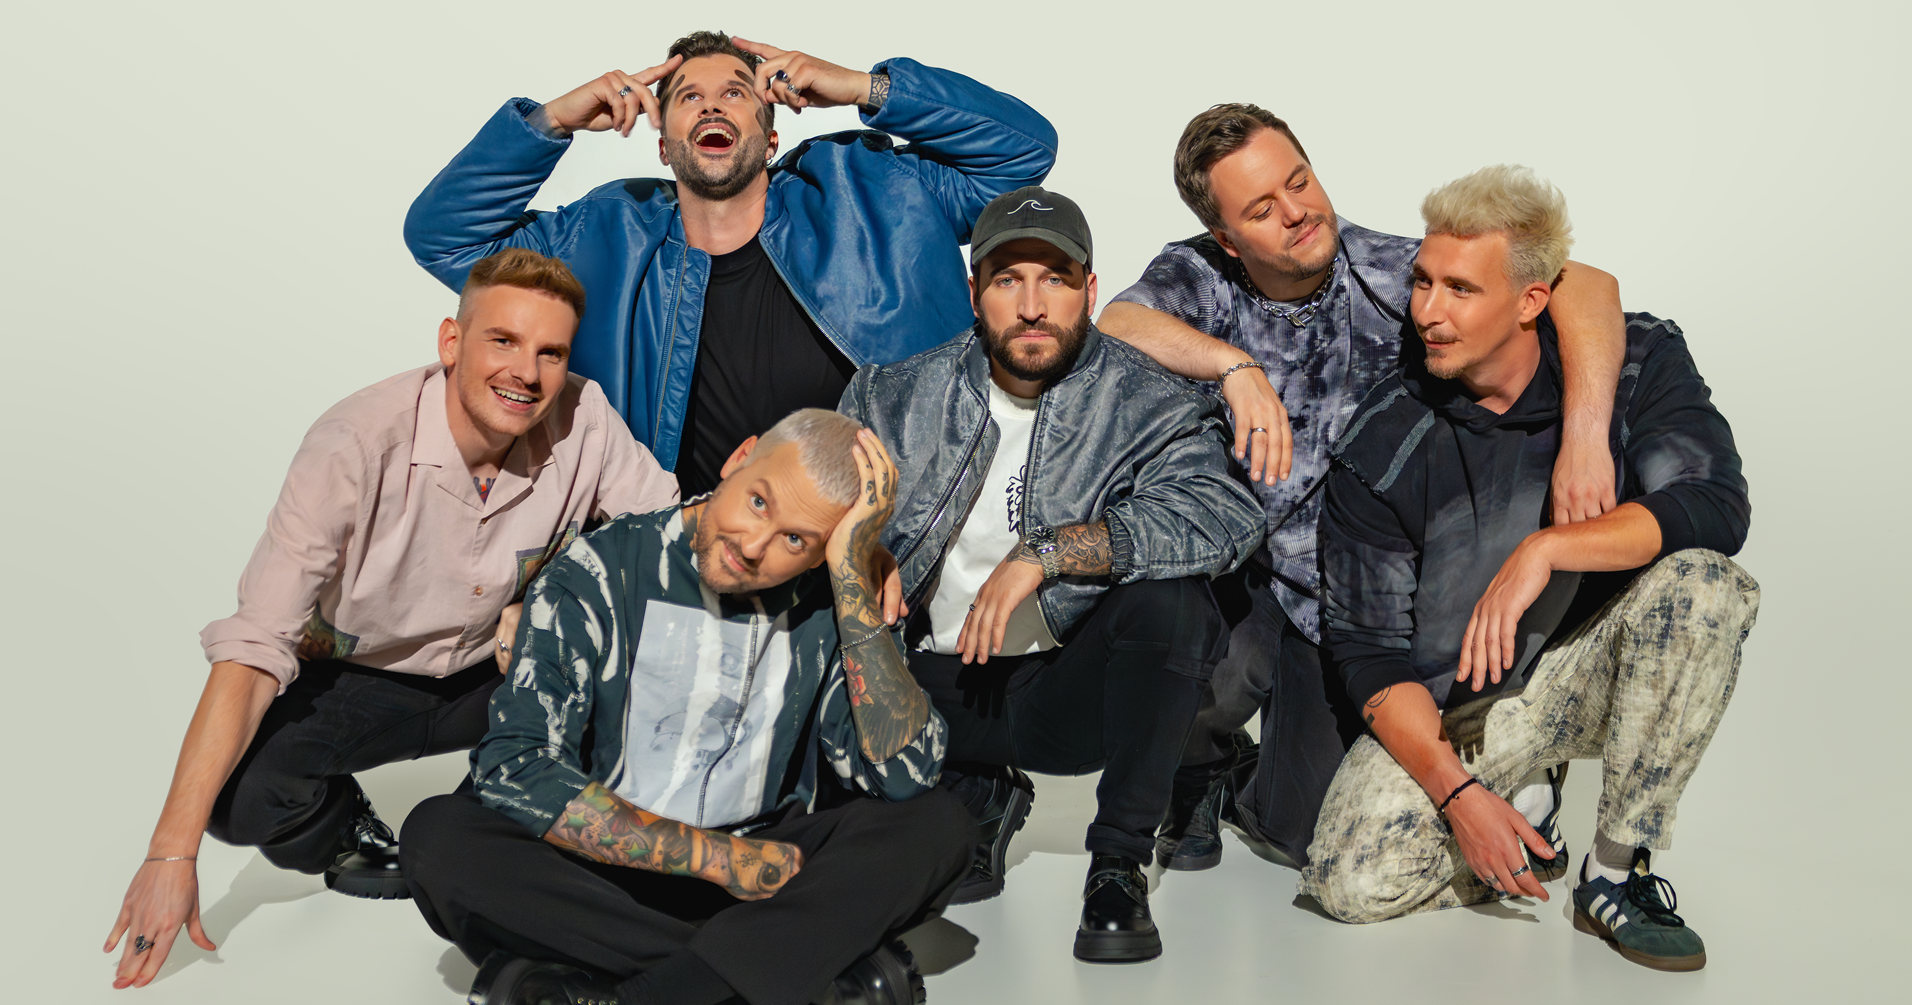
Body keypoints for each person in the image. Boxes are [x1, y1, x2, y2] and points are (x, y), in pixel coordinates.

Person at [101, 249, 680, 990]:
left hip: (499, 668)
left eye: (550, 352)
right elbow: (254, 645)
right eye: (503, 340)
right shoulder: (354, 444)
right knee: (240, 798)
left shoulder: (583, 417)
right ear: (451, 342)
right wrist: (169, 855)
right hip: (364, 677)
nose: (527, 373)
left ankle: (501, 837)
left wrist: (550, 606)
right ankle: (348, 830)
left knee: (634, 679)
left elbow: (666, 545)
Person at [1098, 103, 1633, 871]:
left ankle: (1261, 782)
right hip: (1254, 576)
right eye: (1261, 209)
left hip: (1363, 595)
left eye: (1299, 181)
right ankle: (1202, 765)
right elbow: (1116, 324)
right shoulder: (1199, 277)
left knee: (1302, 834)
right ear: (1227, 239)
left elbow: (1585, 284)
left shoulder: (1391, 270)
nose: (1297, 212)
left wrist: (1585, 435)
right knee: (1179, 650)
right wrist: (1234, 365)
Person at [1299, 166, 1756, 974]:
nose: (1428, 312)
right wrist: (1459, 796)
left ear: (1531, 301)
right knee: (1348, 881)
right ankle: (1525, 804)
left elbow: (1715, 505)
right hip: (1472, 702)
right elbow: (1367, 651)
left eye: (1461, 290)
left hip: (1606, 663)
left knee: (1704, 586)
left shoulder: (1636, 362)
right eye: (1423, 282)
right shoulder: (1384, 440)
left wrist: (1545, 549)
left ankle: (1615, 871)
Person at [401, 409, 970, 1005]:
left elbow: (905, 777)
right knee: (439, 838)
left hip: (770, 868)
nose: (753, 546)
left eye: (796, 540)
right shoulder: (599, 568)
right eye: (758, 502)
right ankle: (771, 968)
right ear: (739, 458)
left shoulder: (839, 597)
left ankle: (647, 989)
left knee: (939, 827)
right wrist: (721, 859)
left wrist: (852, 576)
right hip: (609, 871)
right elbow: (515, 767)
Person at [841, 187, 1267, 963]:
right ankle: (976, 784)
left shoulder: (1150, 401)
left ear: (1090, 290)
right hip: (929, 687)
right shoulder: (891, 396)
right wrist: (858, 548)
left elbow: (1224, 514)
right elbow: (812, 503)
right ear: (974, 291)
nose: (1033, 306)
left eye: (1056, 279)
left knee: (1174, 602)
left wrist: (1050, 550)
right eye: (1008, 279)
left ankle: (1118, 862)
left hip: (1068, 694)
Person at [405, 30, 1056, 497]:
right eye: (688, 97)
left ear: (771, 137)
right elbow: (446, 239)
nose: (712, 105)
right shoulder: (603, 237)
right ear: (664, 147)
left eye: (735, 93)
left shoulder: (874, 189)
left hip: (897, 541)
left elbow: (1023, 154)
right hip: (697, 564)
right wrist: (550, 123)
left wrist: (865, 86)